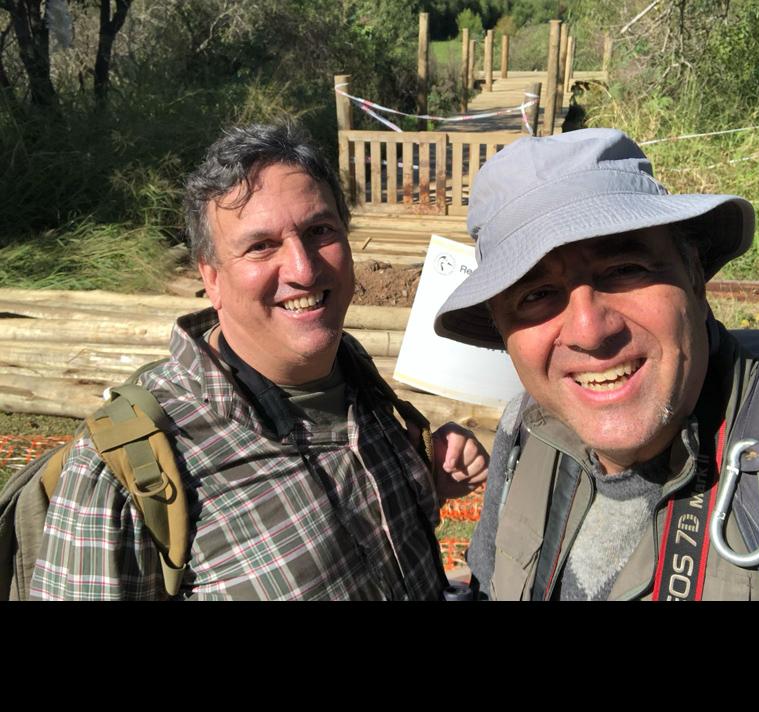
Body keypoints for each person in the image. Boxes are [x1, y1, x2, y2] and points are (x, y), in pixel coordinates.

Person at [30, 121, 487, 600]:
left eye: (320, 231)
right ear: (211, 279)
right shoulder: (129, 469)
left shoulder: (357, 379)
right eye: (261, 246)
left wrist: (424, 477)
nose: (303, 269)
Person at [434, 127, 759, 601]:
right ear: (503, 331)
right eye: (536, 295)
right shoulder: (524, 427)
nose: (589, 331)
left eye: (625, 270)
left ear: (694, 275)